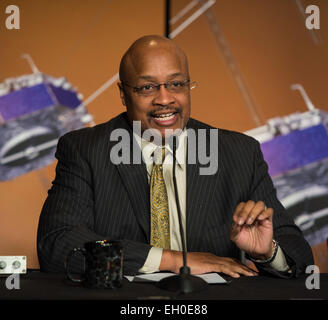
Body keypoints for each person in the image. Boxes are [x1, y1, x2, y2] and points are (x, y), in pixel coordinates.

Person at [37, 35, 313, 278]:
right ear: (123, 93)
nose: (165, 99)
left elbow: (297, 252)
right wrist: (173, 261)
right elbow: (58, 243)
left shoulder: (239, 152)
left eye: (176, 84)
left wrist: (267, 252)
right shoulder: (85, 150)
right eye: (147, 87)